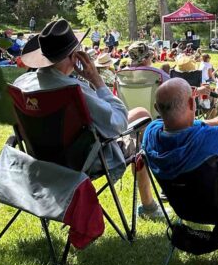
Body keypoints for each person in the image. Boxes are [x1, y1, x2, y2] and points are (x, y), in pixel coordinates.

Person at [15, 18, 161, 218]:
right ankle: (149, 207)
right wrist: (96, 80)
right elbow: (117, 124)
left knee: (138, 115)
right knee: (142, 118)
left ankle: (150, 207)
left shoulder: (21, 84)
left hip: (41, 161)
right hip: (83, 161)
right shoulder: (74, 90)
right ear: (75, 55)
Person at [142, 78, 218, 185]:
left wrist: (211, 122)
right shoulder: (216, 137)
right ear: (190, 103)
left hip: (182, 202)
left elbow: (176, 125)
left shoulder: (150, 133)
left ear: (157, 108)